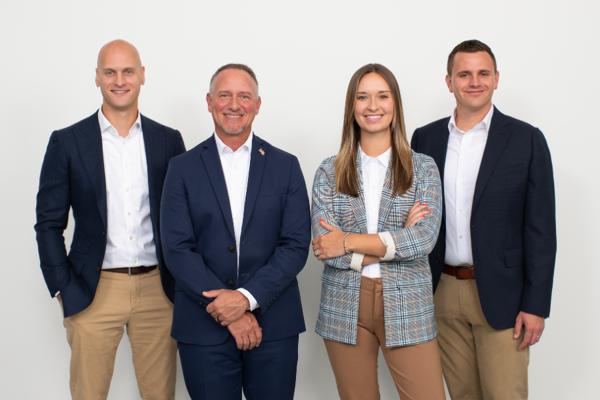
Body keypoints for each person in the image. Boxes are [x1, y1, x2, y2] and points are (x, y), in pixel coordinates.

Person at [34, 39, 185, 400]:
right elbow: (48, 224)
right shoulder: (67, 142)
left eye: (128, 71)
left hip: (158, 291)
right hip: (94, 290)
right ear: (97, 77)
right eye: (110, 72)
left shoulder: (168, 141)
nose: (119, 80)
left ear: (142, 75)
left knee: (160, 395)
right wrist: (63, 287)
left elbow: (183, 218)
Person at [411, 39, 557, 399]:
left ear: (496, 79)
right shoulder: (425, 139)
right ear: (449, 81)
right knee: (462, 395)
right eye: (464, 74)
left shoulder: (526, 140)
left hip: (503, 294)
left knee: (505, 394)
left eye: (483, 73)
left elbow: (541, 231)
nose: (474, 82)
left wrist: (535, 305)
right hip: (441, 291)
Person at [160, 63, 310, 400]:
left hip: (274, 323)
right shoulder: (181, 168)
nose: (234, 104)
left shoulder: (285, 166)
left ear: (258, 104)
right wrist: (227, 311)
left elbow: (295, 245)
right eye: (224, 95)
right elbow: (177, 248)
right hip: (203, 324)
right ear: (209, 101)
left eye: (244, 96)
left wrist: (245, 299)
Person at [311, 63, 446, 400]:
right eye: (362, 97)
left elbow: (424, 239)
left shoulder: (422, 167)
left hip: (408, 301)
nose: (373, 106)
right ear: (351, 106)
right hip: (344, 304)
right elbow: (326, 249)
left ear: (395, 104)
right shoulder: (329, 171)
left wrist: (346, 241)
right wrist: (397, 240)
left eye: (382, 96)